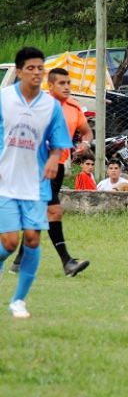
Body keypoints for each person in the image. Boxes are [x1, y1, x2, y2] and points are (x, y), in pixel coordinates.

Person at [0, 47, 72, 318]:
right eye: (30, 68)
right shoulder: (4, 99)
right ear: (18, 72)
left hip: (35, 183)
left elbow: (59, 142)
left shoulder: (50, 106)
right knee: (8, 242)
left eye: (40, 68)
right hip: (5, 180)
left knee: (31, 239)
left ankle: (18, 300)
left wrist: (54, 157)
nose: (36, 73)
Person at [8, 67, 92, 277]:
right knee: (53, 210)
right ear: (50, 86)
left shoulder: (74, 108)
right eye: (61, 83)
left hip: (58, 167)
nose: (66, 87)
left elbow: (86, 130)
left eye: (68, 83)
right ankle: (67, 262)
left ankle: (18, 261)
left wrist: (85, 143)